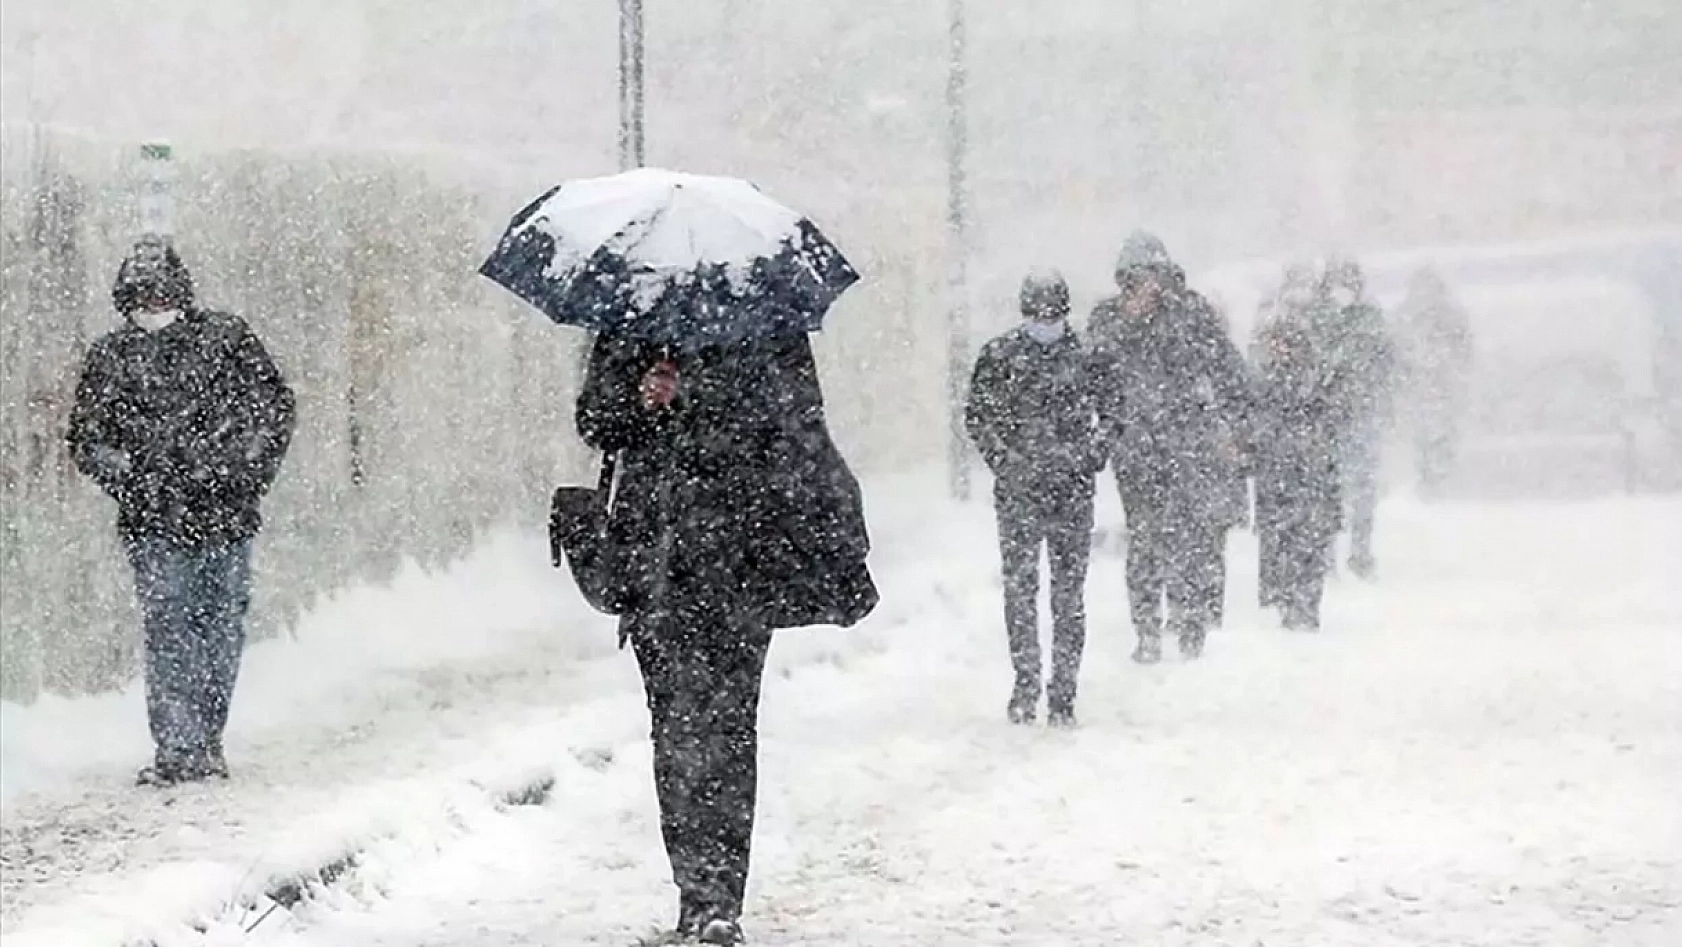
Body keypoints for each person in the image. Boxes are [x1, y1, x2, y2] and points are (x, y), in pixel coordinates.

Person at [576, 331, 877, 946]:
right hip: (654, 566)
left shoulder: (769, 329)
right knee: (675, 730)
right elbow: (594, 420)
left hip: (742, 562)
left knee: (729, 729)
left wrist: (704, 400)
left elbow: (799, 427)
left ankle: (720, 900)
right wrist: (640, 401)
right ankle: (697, 892)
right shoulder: (631, 325)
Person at [66, 236, 296, 786]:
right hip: (155, 522)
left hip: (225, 515)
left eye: (160, 292)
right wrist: (136, 478)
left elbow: (272, 412)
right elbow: (87, 439)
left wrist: (237, 470)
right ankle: (178, 748)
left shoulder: (228, 340)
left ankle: (203, 741)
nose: (151, 305)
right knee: (171, 629)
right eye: (139, 295)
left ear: (181, 291)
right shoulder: (111, 357)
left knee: (217, 632)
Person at [1089, 232, 1251, 663]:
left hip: (1188, 444)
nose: (1146, 286)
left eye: (1151, 276)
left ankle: (1190, 619)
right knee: (1144, 538)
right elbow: (1093, 374)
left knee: (1190, 536)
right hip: (1135, 448)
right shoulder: (1107, 317)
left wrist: (1234, 429)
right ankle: (1146, 627)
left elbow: (1229, 371)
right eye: (1136, 278)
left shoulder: (1191, 313)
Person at [964, 269, 1100, 727]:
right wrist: (1006, 462)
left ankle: (1063, 691)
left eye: (1053, 314)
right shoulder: (1000, 357)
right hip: (1019, 495)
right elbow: (978, 417)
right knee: (1021, 592)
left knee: (1068, 596)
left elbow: (1114, 414)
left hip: (1072, 493)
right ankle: (1025, 683)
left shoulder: (1087, 358)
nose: (1045, 321)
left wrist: (1089, 456)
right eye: (1037, 314)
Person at [1252, 317, 1343, 631]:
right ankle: (1289, 601)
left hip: (1306, 475)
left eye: (1285, 343)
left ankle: (1303, 603)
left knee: (1307, 542)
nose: (1279, 350)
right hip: (1280, 475)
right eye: (1275, 344)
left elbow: (1328, 424)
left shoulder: (1314, 382)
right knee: (1283, 543)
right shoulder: (1265, 382)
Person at [1318, 258, 1395, 579]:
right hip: (1329, 417)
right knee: (1328, 490)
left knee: (1362, 490)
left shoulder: (1370, 320)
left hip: (1362, 414)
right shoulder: (1320, 319)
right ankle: (1328, 556)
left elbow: (1387, 364)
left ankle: (1359, 553)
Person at [1394, 267, 1473, 497]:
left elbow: (1464, 348)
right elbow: (1397, 352)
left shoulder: (1449, 316)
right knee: (1424, 433)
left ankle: (1439, 476)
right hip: (1423, 386)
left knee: (1442, 431)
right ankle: (1430, 477)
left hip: (1442, 385)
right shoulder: (1407, 315)